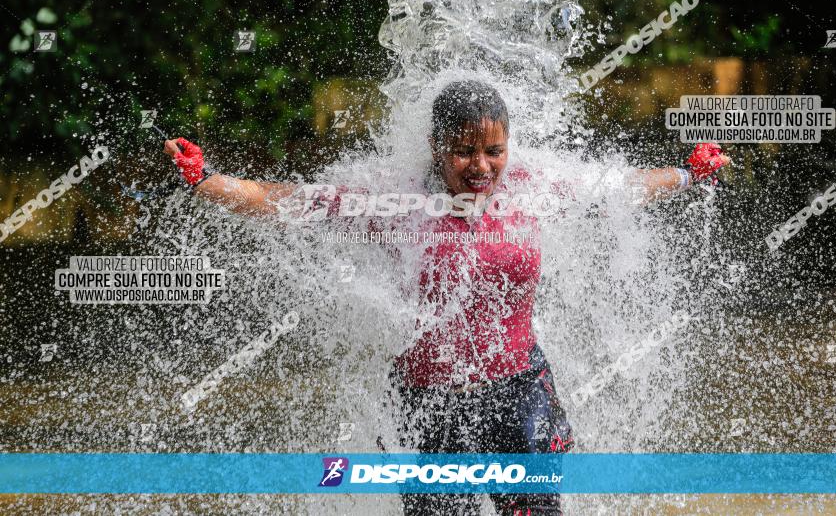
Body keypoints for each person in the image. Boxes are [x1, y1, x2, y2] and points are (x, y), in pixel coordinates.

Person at [163, 80, 730, 515]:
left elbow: (619, 186)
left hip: (520, 387)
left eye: (494, 151)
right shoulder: (395, 203)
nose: (482, 168)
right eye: (464, 152)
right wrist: (207, 180)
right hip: (431, 404)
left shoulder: (536, 191)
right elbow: (287, 200)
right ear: (437, 147)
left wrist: (685, 174)